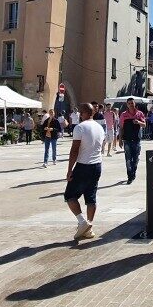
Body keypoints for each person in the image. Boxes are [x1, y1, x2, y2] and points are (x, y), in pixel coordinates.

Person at [64, 103, 104, 240]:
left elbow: (74, 150)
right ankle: (89, 227)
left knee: (70, 195)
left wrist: (70, 169)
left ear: (85, 113)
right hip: (97, 165)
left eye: (81, 112)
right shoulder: (99, 127)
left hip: (83, 165)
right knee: (91, 197)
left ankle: (82, 222)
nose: (80, 115)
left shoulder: (80, 127)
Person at [119, 97, 147, 184]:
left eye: (132, 103)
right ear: (127, 105)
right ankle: (130, 176)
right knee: (128, 159)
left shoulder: (139, 114)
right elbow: (121, 128)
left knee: (136, 159)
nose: (131, 104)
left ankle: (133, 172)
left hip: (136, 140)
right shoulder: (123, 115)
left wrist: (138, 122)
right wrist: (120, 139)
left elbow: (144, 125)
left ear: (135, 104)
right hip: (127, 140)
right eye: (129, 103)